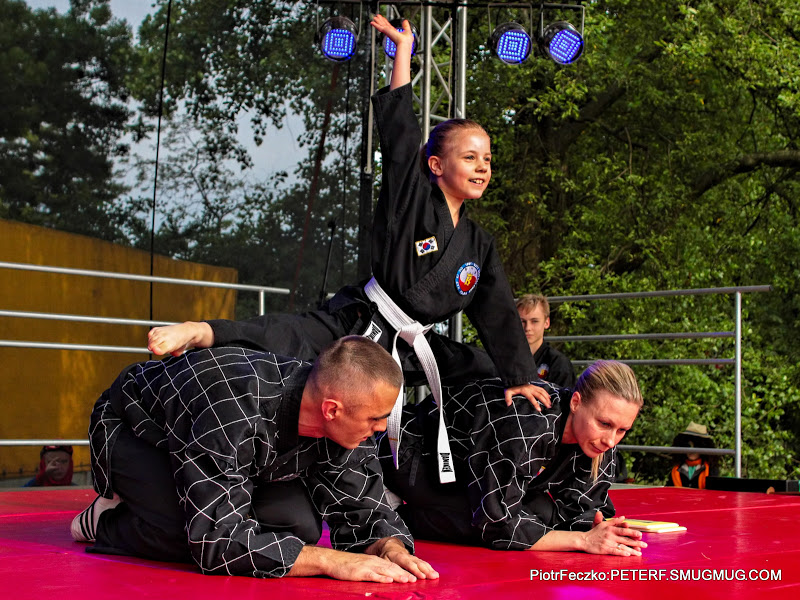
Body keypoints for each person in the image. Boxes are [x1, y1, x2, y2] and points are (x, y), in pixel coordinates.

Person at [146, 15, 548, 411]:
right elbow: (401, 137)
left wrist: (520, 377)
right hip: (361, 324)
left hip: (413, 344)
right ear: (436, 166)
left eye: (488, 159)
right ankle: (202, 332)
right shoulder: (411, 198)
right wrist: (402, 53)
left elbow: (496, 311)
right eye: (470, 157)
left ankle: (436, 451)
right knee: (286, 335)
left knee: (486, 370)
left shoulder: (479, 244)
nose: (483, 167)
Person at [70, 336, 438, 583]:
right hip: (136, 432)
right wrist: (330, 560)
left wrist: (388, 545)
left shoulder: (346, 416)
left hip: (228, 454)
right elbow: (213, 542)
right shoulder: (232, 407)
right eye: (375, 419)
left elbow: (364, 504)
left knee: (300, 530)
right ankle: (107, 519)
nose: (379, 429)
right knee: (190, 533)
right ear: (331, 410)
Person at [378, 360, 648, 556]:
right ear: (576, 403)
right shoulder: (531, 423)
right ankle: (398, 515)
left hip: (472, 468)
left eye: (623, 430)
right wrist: (583, 541)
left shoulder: (601, 437)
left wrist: (601, 530)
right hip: (413, 453)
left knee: (542, 515)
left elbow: (585, 508)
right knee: (483, 521)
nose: (611, 440)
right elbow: (496, 522)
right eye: (604, 424)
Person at [516, 294, 576, 389]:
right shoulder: (504, 360)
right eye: (522, 321)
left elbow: (566, 402)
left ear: (546, 323)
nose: (527, 328)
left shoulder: (559, 364)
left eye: (534, 321)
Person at [665, 422, 719, 489]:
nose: (691, 451)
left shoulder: (710, 469)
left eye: (696, 446)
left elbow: (713, 493)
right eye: (688, 446)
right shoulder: (676, 469)